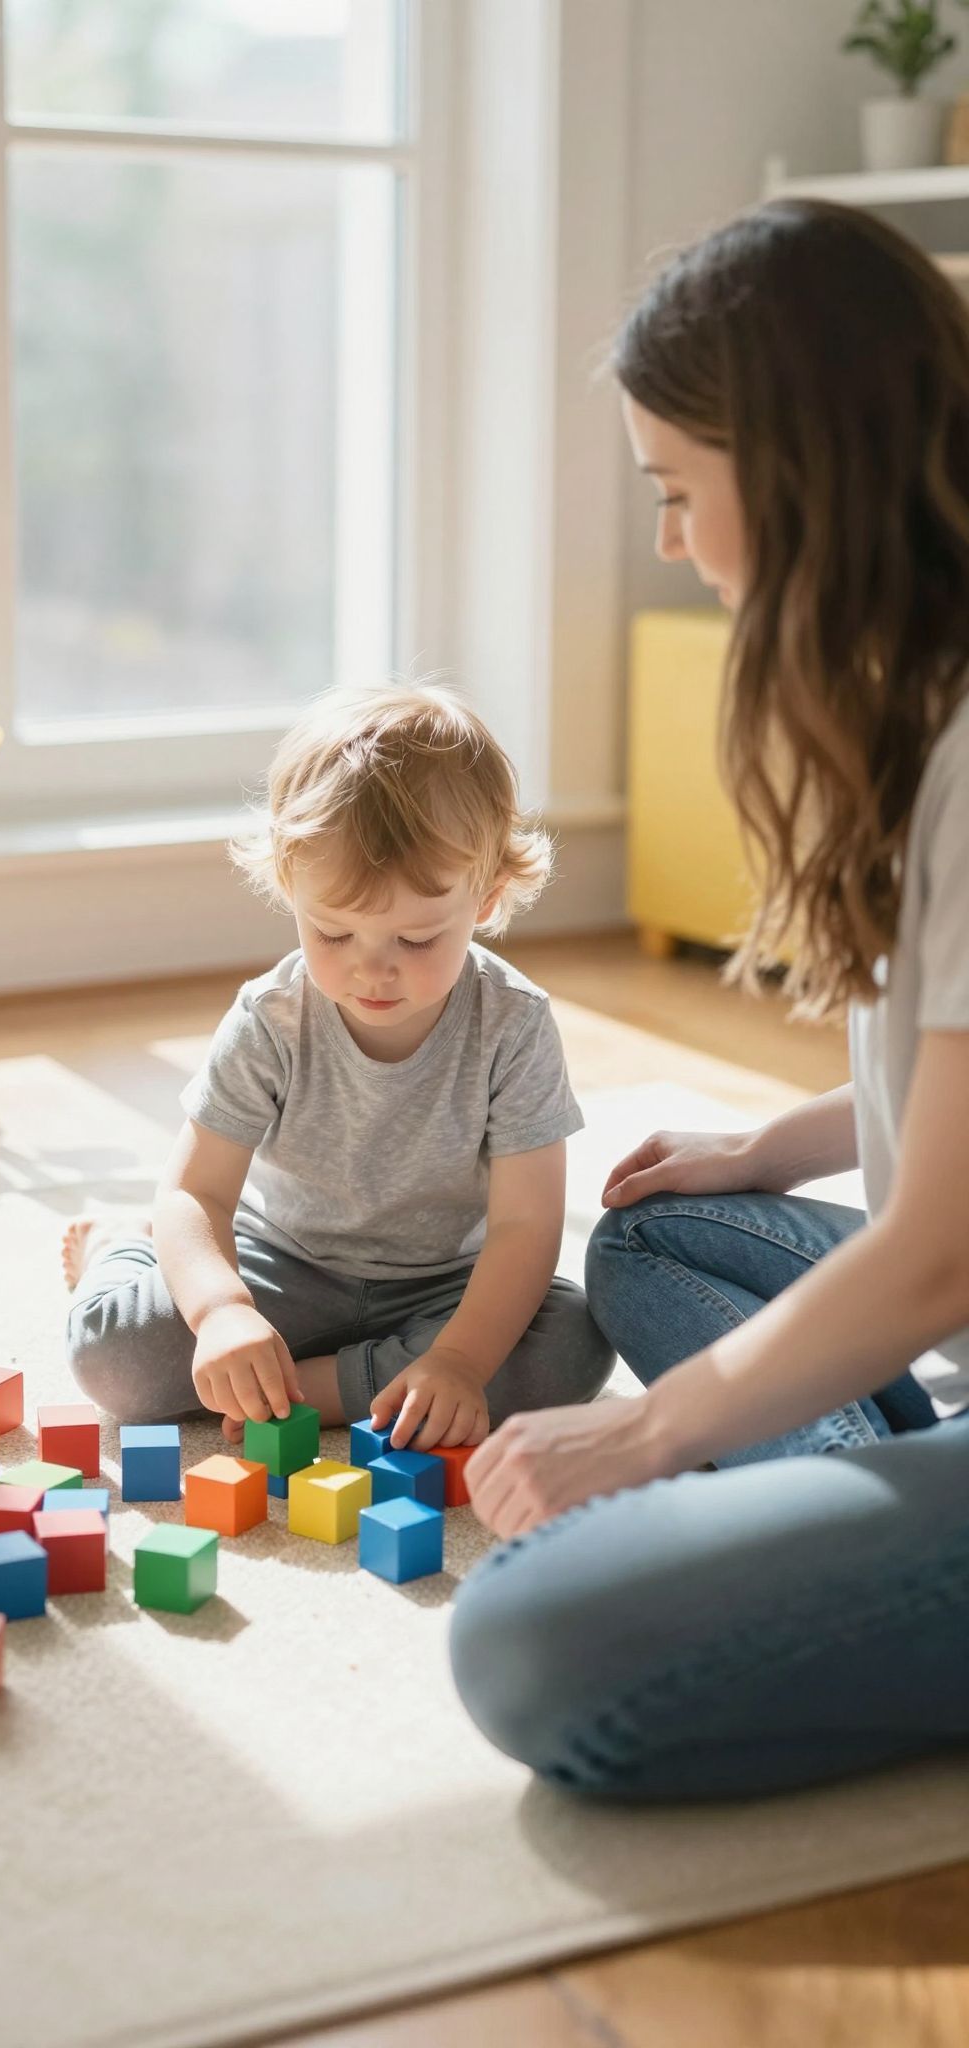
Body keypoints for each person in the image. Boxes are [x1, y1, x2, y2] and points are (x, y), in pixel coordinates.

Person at [449, 200, 969, 1803]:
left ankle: (853, 1535)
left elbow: (939, 1251)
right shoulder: (924, 705)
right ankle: (863, 1520)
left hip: (948, 1284)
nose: (671, 542)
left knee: (530, 1641)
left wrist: (649, 1434)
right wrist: (769, 1148)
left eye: (677, 490)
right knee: (657, 1233)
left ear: (801, 468)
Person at [63, 682, 612, 1448]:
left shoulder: (514, 1024)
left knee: (574, 1342)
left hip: (443, 1286)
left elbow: (526, 1223)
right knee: (111, 1359)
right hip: (283, 1266)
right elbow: (194, 1190)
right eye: (332, 933)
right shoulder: (273, 1018)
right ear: (291, 888)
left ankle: (311, 1387)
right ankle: (123, 1248)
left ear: (486, 900)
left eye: (416, 940)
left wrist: (458, 1360)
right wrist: (222, 1312)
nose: (371, 969)